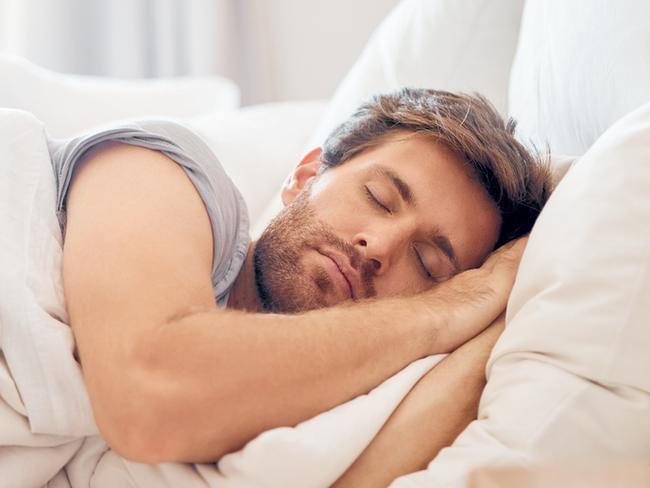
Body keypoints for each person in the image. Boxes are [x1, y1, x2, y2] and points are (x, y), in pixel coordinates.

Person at [55, 87, 552, 483]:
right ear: (306, 174)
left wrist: (494, 307)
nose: (377, 246)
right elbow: (150, 400)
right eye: (379, 198)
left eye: (426, 263)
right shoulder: (167, 169)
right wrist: (451, 304)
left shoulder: (328, 393)